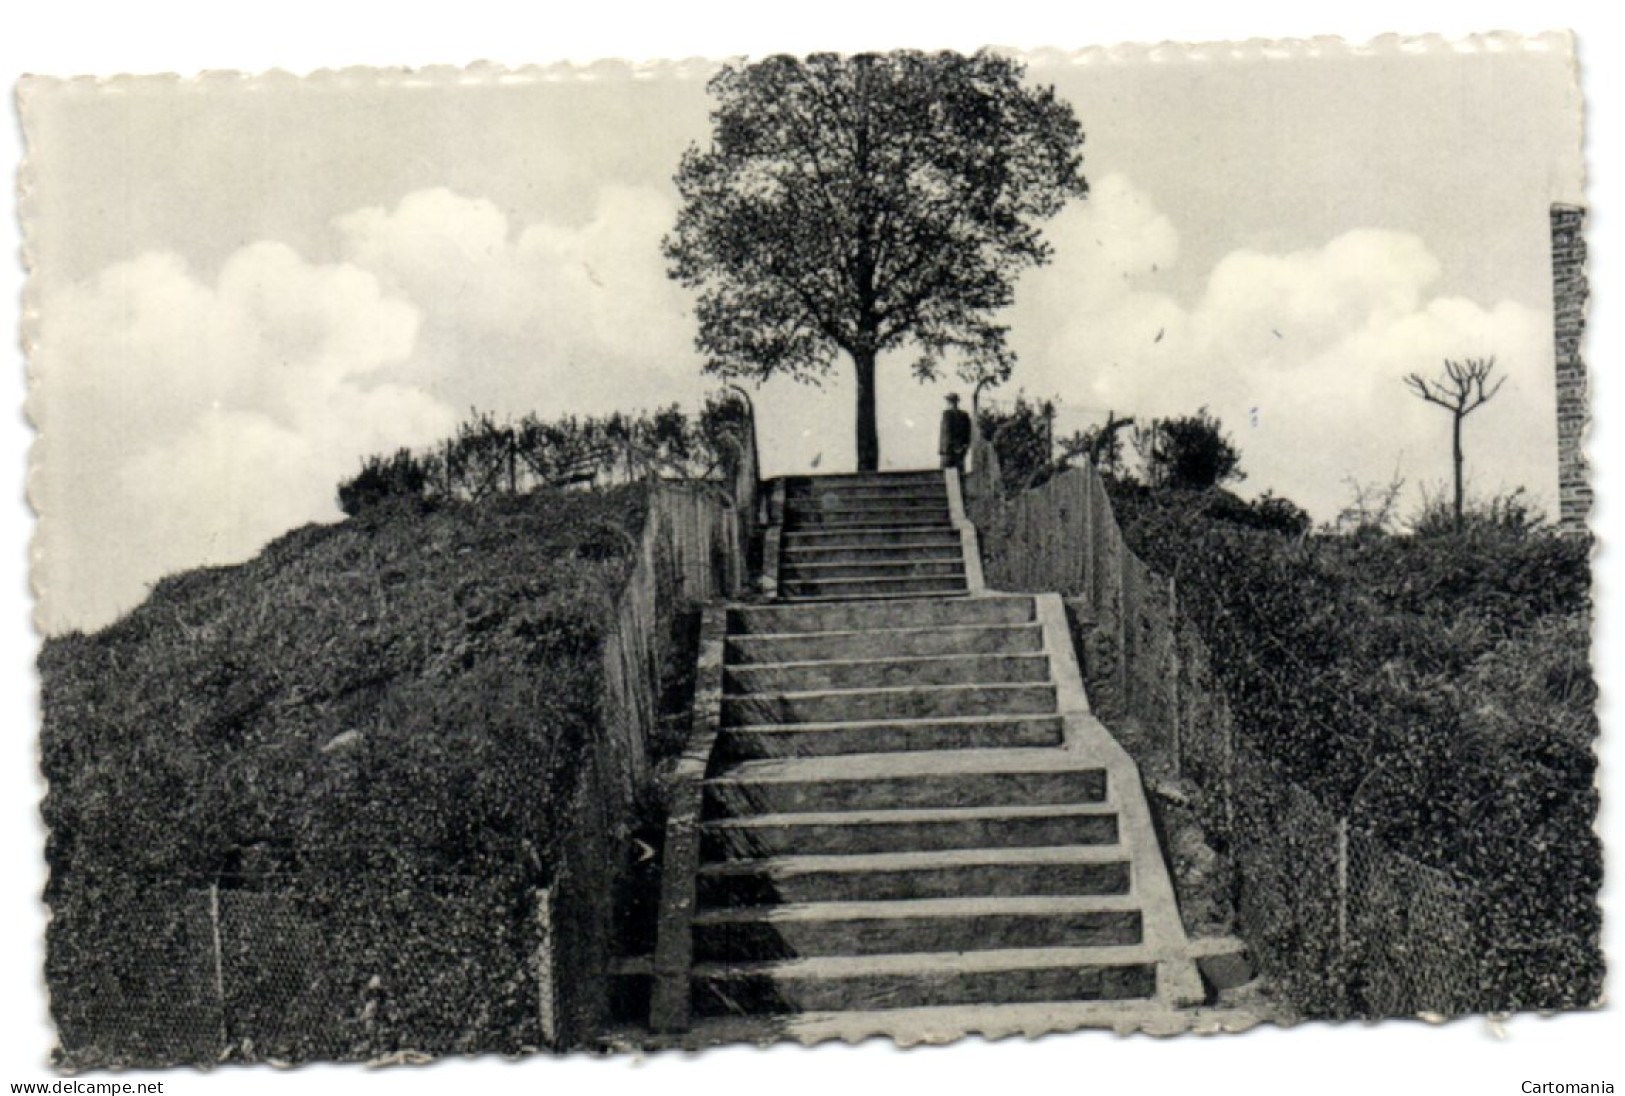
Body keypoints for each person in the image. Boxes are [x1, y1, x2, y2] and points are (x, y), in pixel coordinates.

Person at [939, 393, 972, 471]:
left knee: (947, 475)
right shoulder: (964, 415)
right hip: (960, 450)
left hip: (948, 451)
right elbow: (968, 434)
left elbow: (947, 433)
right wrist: (964, 447)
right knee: (959, 474)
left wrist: (951, 447)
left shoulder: (947, 414)